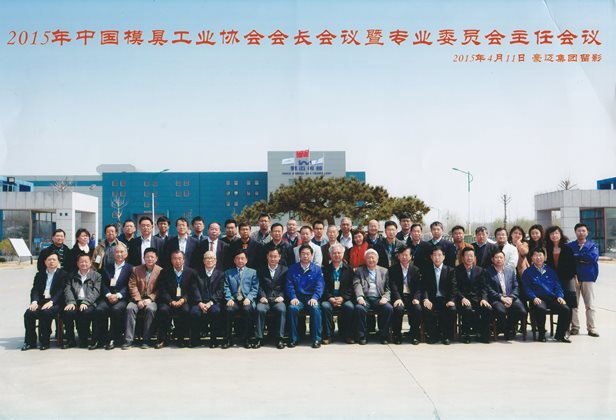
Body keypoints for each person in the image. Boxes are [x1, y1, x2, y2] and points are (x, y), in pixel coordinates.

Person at [522, 248, 572, 343]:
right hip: (538, 298)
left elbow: (557, 286)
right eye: (535, 255)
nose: (538, 257)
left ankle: (560, 335)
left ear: (544, 257)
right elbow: (526, 288)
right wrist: (533, 297)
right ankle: (541, 334)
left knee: (565, 309)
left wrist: (560, 296)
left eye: (540, 255)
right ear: (531, 258)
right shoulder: (528, 272)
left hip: (551, 298)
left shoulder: (550, 270)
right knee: (541, 308)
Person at [22, 253, 69, 350]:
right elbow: (35, 289)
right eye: (49, 260)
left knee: (46, 312)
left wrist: (52, 302)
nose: (51, 262)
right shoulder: (40, 274)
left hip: (56, 303)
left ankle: (45, 341)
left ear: (58, 262)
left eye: (54, 259)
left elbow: (61, 291)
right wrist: (34, 301)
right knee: (29, 313)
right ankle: (30, 342)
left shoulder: (63, 274)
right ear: (45, 262)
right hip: (41, 301)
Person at [92, 242, 133, 350]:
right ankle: (100, 339)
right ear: (114, 254)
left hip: (121, 298)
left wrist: (118, 295)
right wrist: (108, 294)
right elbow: (102, 283)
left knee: (116, 310)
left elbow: (130, 285)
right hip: (108, 296)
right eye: (117, 252)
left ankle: (113, 339)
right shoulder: (107, 267)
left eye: (121, 252)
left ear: (126, 254)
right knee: (99, 309)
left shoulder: (131, 268)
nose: (119, 254)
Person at [155, 250, 196, 348]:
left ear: (184, 260)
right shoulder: (165, 272)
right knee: (162, 310)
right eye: (174, 258)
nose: (177, 261)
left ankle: (181, 338)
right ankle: (163, 340)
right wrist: (170, 301)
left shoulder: (191, 272)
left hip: (183, 300)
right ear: (171, 260)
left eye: (179, 258)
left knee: (185, 310)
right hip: (168, 301)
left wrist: (183, 299)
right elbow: (162, 289)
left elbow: (192, 289)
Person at [123, 247, 162, 349]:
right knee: (129, 308)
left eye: (152, 257)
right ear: (144, 258)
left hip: (152, 300)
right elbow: (132, 285)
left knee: (150, 309)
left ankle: (146, 340)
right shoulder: (136, 269)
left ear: (156, 258)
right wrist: (138, 300)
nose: (150, 259)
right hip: (137, 299)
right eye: (147, 257)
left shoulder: (160, 271)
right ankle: (128, 340)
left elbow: (161, 288)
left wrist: (150, 298)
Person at [286, 245, 325, 348]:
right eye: (303, 254)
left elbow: (320, 286)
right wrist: (293, 297)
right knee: (292, 309)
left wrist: (315, 297)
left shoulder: (317, 270)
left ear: (311, 255)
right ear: (299, 255)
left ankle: (316, 339)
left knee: (316, 309)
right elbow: (289, 285)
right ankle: (293, 339)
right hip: (298, 298)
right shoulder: (292, 269)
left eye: (308, 254)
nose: (305, 256)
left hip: (311, 298)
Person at [353, 248, 393, 345]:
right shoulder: (359, 271)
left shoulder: (384, 271)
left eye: (373, 258)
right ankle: (362, 335)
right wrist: (360, 297)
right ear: (365, 259)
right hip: (365, 298)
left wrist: (385, 297)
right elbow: (357, 284)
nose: (371, 260)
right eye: (368, 258)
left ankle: (384, 335)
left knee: (388, 308)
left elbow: (388, 288)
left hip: (379, 298)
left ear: (377, 259)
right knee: (359, 308)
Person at [485, 250, 527, 340]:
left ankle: (507, 327)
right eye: (496, 257)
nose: (499, 259)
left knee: (522, 311)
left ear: (504, 259)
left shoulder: (510, 270)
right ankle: (506, 330)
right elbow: (488, 289)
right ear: (492, 259)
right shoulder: (487, 271)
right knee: (501, 311)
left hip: (511, 297)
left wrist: (511, 298)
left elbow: (516, 286)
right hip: (497, 299)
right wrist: (501, 298)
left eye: (501, 257)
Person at [567, 223, 600, 337]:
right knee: (573, 304)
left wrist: (576, 256)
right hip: (574, 277)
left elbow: (592, 258)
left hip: (588, 277)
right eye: (579, 231)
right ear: (575, 232)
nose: (581, 233)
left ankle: (592, 328)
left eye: (583, 231)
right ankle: (575, 327)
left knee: (590, 304)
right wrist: (582, 257)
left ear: (587, 232)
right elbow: (569, 259)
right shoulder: (570, 246)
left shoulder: (593, 245)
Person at [222, 249, 259, 349]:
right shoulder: (228, 272)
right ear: (234, 260)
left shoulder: (253, 272)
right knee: (228, 310)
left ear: (246, 260)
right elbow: (226, 287)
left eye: (242, 258)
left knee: (247, 310)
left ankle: (247, 338)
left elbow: (255, 288)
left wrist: (249, 298)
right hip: (234, 300)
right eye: (237, 258)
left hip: (247, 299)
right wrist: (229, 298)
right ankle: (228, 339)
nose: (240, 261)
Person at [454, 247, 492, 343]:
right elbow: (454, 288)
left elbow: (484, 287)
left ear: (474, 257)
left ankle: (483, 334)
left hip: (477, 298)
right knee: (467, 309)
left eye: (471, 256)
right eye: (467, 256)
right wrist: (462, 298)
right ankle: (466, 334)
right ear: (462, 257)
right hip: (462, 299)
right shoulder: (456, 270)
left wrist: (484, 298)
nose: (469, 258)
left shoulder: (480, 270)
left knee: (487, 308)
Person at [62, 254, 101, 348]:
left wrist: (85, 302)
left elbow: (96, 292)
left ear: (90, 263)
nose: (84, 264)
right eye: (81, 262)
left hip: (90, 302)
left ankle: (84, 338)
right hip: (75, 301)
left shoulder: (96, 276)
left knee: (86, 311)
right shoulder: (71, 275)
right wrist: (71, 302)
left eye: (86, 261)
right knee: (68, 312)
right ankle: (70, 340)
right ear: (77, 263)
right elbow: (68, 290)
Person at [420, 246, 457, 345]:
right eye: (435, 255)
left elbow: (453, 287)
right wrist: (426, 299)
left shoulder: (450, 270)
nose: (437, 258)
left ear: (444, 257)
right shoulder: (426, 270)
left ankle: (446, 336)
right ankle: (433, 335)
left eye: (439, 255)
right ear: (431, 257)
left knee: (452, 309)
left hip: (445, 300)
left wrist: (451, 300)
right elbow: (424, 287)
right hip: (432, 299)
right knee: (426, 308)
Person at [189, 251, 225, 348]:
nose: (209, 260)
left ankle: (213, 340)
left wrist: (210, 303)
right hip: (199, 302)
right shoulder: (196, 273)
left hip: (213, 302)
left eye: (211, 258)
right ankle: (195, 339)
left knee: (215, 311)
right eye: (207, 258)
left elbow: (220, 291)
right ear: (203, 261)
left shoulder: (220, 274)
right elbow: (194, 289)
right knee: (194, 312)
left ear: (215, 261)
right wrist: (200, 302)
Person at [321, 243, 355, 344]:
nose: (337, 255)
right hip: (329, 298)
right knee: (325, 306)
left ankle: (347, 334)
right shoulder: (325, 269)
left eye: (339, 253)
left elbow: (351, 287)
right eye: (334, 253)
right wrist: (330, 298)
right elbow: (323, 287)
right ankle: (328, 335)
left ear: (343, 254)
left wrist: (343, 298)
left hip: (344, 298)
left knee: (349, 307)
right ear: (330, 255)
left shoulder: (349, 269)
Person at [389, 246, 422, 345]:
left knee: (417, 308)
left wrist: (416, 298)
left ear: (410, 256)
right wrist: (397, 298)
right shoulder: (393, 269)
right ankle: (397, 335)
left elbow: (419, 287)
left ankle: (415, 334)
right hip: (399, 296)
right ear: (398, 256)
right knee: (398, 309)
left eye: (406, 255)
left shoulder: (415, 270)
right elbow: (393, 286)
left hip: (411, 297)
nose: (404, 257)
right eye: (402, 255)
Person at [255, 248, 288, 349]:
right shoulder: (261, 269)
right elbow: (258, 285)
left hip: (278, 299)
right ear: (267, 257)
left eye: (275, 256)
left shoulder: (285, 269)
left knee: (281, 309)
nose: (273, 259)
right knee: (259, 309)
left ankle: (280, 338)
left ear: (279, 257)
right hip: (265, 298)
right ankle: (259, 338)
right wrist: (262, 296)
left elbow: (286, 286)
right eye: (270, 256)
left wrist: (282, 296)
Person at [545, 226, 577, 316]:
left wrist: (574, 276)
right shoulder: (547, 249)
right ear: (549, 236)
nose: (554, 235)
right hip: (552, 280)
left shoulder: (567, 248)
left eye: (556, 233)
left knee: (569, 302)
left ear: (560, 234)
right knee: (557, 302)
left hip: (567, 278)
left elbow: (573, 265)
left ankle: (568, 324)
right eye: (552, 234)